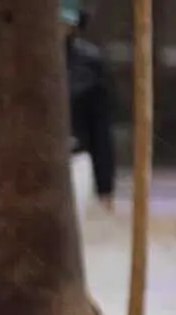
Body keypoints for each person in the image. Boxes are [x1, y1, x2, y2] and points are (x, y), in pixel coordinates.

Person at [63, 0, 116, 232]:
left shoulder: (89, 63)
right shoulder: (23, 61)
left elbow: (100, 126)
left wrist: (105, 184)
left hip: (74, 157)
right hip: (31, 161)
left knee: (66, 232)